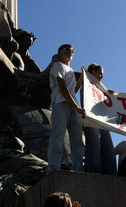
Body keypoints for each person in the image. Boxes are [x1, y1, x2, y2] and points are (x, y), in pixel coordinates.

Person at [47, 44, 86, 173]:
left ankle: (78, 169)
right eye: (67, 50)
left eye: (73, 50)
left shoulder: (70, 70)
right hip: (60, 104)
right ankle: (53, 168)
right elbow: (63, 88)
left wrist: (81, 78)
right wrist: (77, 107)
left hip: (73, 106)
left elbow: (73, 91)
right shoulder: (57, 66)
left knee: (78, 140)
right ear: (60, 53)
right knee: (58, 136)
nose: (71, 52)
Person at [81, 63, 117, 174]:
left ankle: (111, 176)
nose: (102, 77)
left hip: (103, 122)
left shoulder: (102, 89)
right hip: (92, 121)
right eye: (100, 73)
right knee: (94, 150)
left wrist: (110, 96)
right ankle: (95, 176)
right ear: (93, 73)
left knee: (109, 151)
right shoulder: (86, 86)